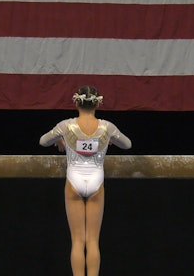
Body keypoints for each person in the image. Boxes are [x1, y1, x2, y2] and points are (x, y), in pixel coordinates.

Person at [39, 85, 132, 276]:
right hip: (96, 181)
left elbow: (43, 141)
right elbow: (127, 144)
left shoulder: (66, 126)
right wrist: (110, 140)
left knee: (77, 241)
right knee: (92, 241)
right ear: (98, 104)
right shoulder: (107, 127)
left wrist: (60, 140)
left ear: (76, 103)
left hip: (74, 181)